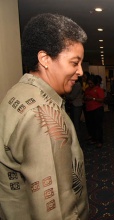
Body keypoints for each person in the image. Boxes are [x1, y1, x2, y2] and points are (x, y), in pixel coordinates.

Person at [0, 13, 89, 219]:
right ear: (45, 59)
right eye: (74, 62)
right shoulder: (41, 115)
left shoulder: (18, 91)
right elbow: (55, 206)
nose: (81, 71)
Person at [84, 74, 105, 148]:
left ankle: (100, 141)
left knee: (98, 126)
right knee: (91, 126)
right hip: (89, 109)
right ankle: (94, 139)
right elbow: (85, 97)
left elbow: (102, 100)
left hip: (97, 109)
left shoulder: (98, 89)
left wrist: (92, 98)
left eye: (91, 83)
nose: (90, 85)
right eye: (89, 83)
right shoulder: (87, 89)